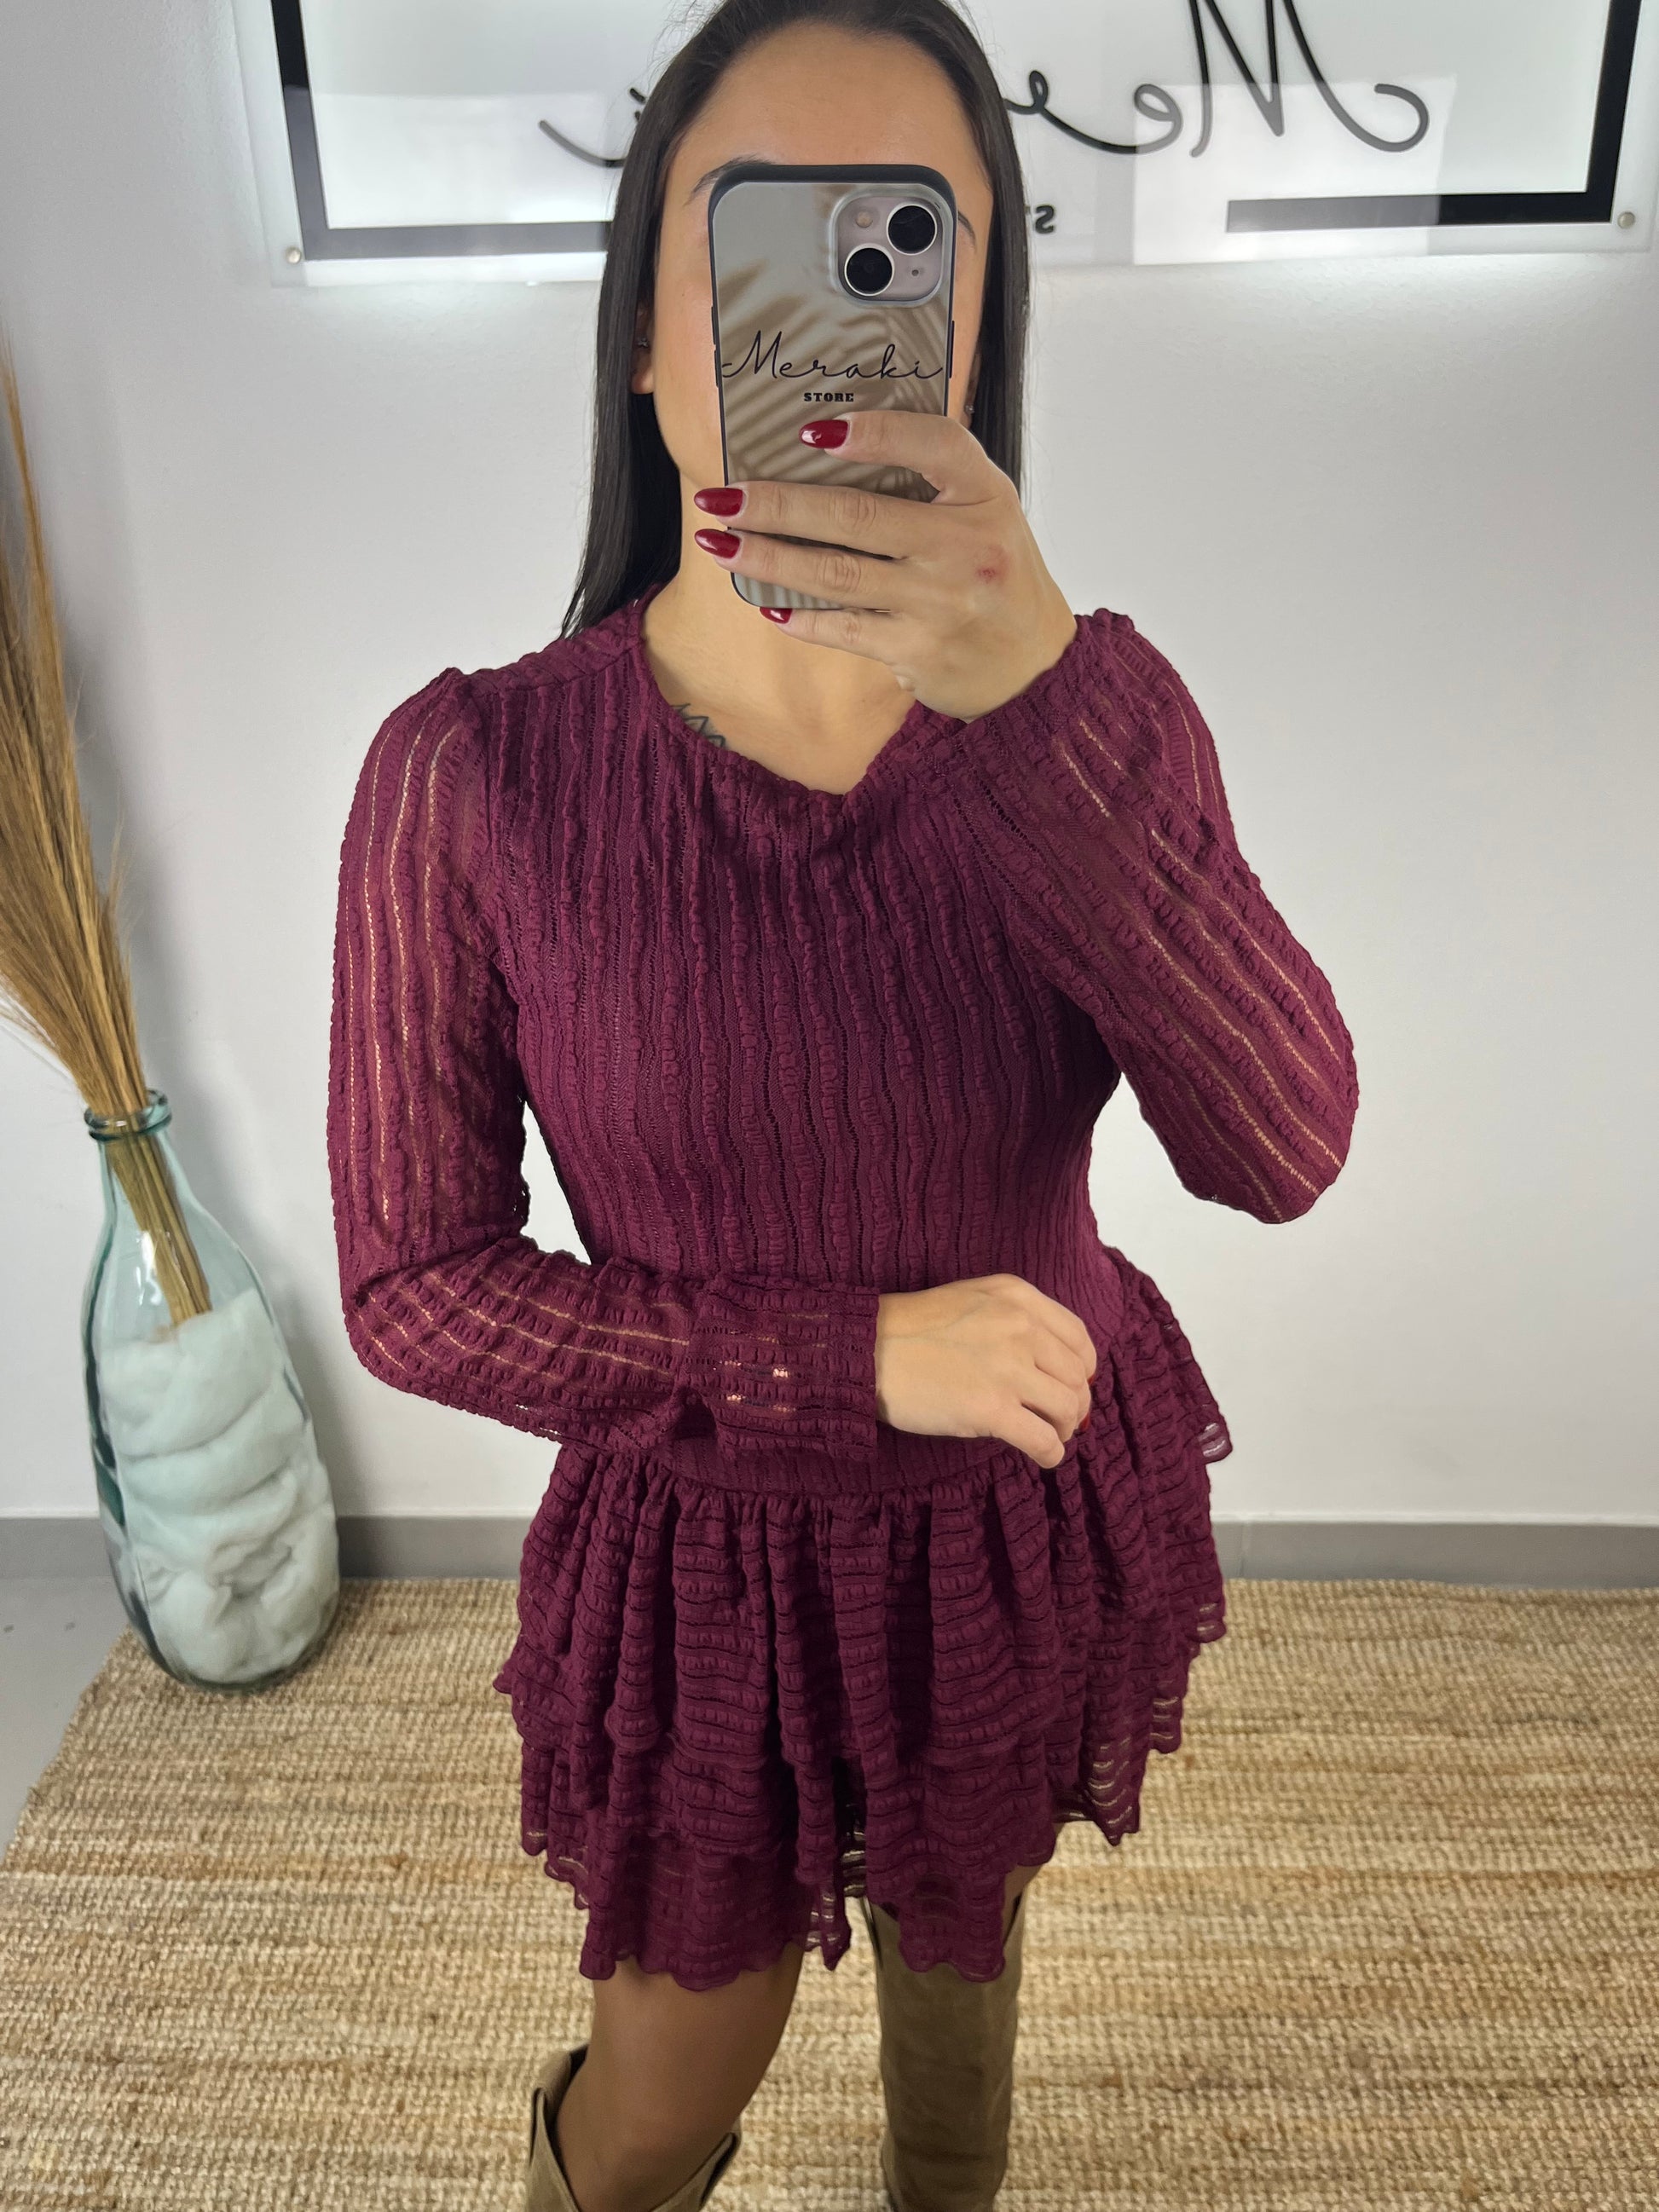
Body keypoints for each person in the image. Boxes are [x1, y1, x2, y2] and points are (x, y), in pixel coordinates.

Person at [326, 3, 1360, 2209]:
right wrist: (840, 1355)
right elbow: (417, 1286)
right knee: (660, 2099)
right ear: (646, 330)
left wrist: (1041, 706)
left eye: (903, 244)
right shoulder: (474, 773)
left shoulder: (1095, 714)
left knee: (962, 1990)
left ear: (975, 333)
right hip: (708, 1552)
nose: (826, 311)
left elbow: (1279, 1144)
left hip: (1018, 1517)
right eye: (752, 236)